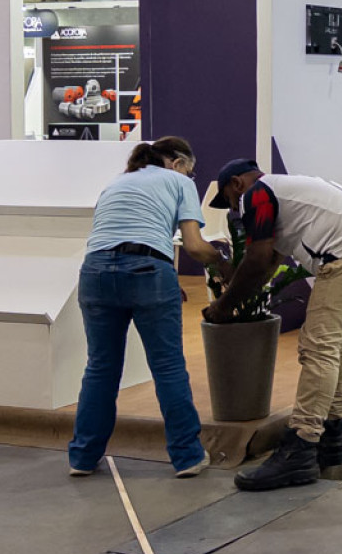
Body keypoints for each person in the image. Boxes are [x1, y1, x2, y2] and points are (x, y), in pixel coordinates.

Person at [205, 162, 342, 492]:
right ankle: (330, 435)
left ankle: (300, 447)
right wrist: (235, 297)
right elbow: (267, 264)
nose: (235, 210)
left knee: (318, 346)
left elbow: (257, 257)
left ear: (237, 184)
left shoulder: (259, 195)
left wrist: (223, 307)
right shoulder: (287, 190)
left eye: (230, 201)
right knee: (335, 343)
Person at [69, 137, 227, 479]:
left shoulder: (116, 183)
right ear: (178, 163)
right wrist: (224, 263)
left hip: (94, 273)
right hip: (147, 272)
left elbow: (124, 235)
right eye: (192, 169)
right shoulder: (179, 181)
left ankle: (82, 457)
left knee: (100, 368)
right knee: (168, 366)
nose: (192, 176)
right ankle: (187, 457)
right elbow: (195, 246)